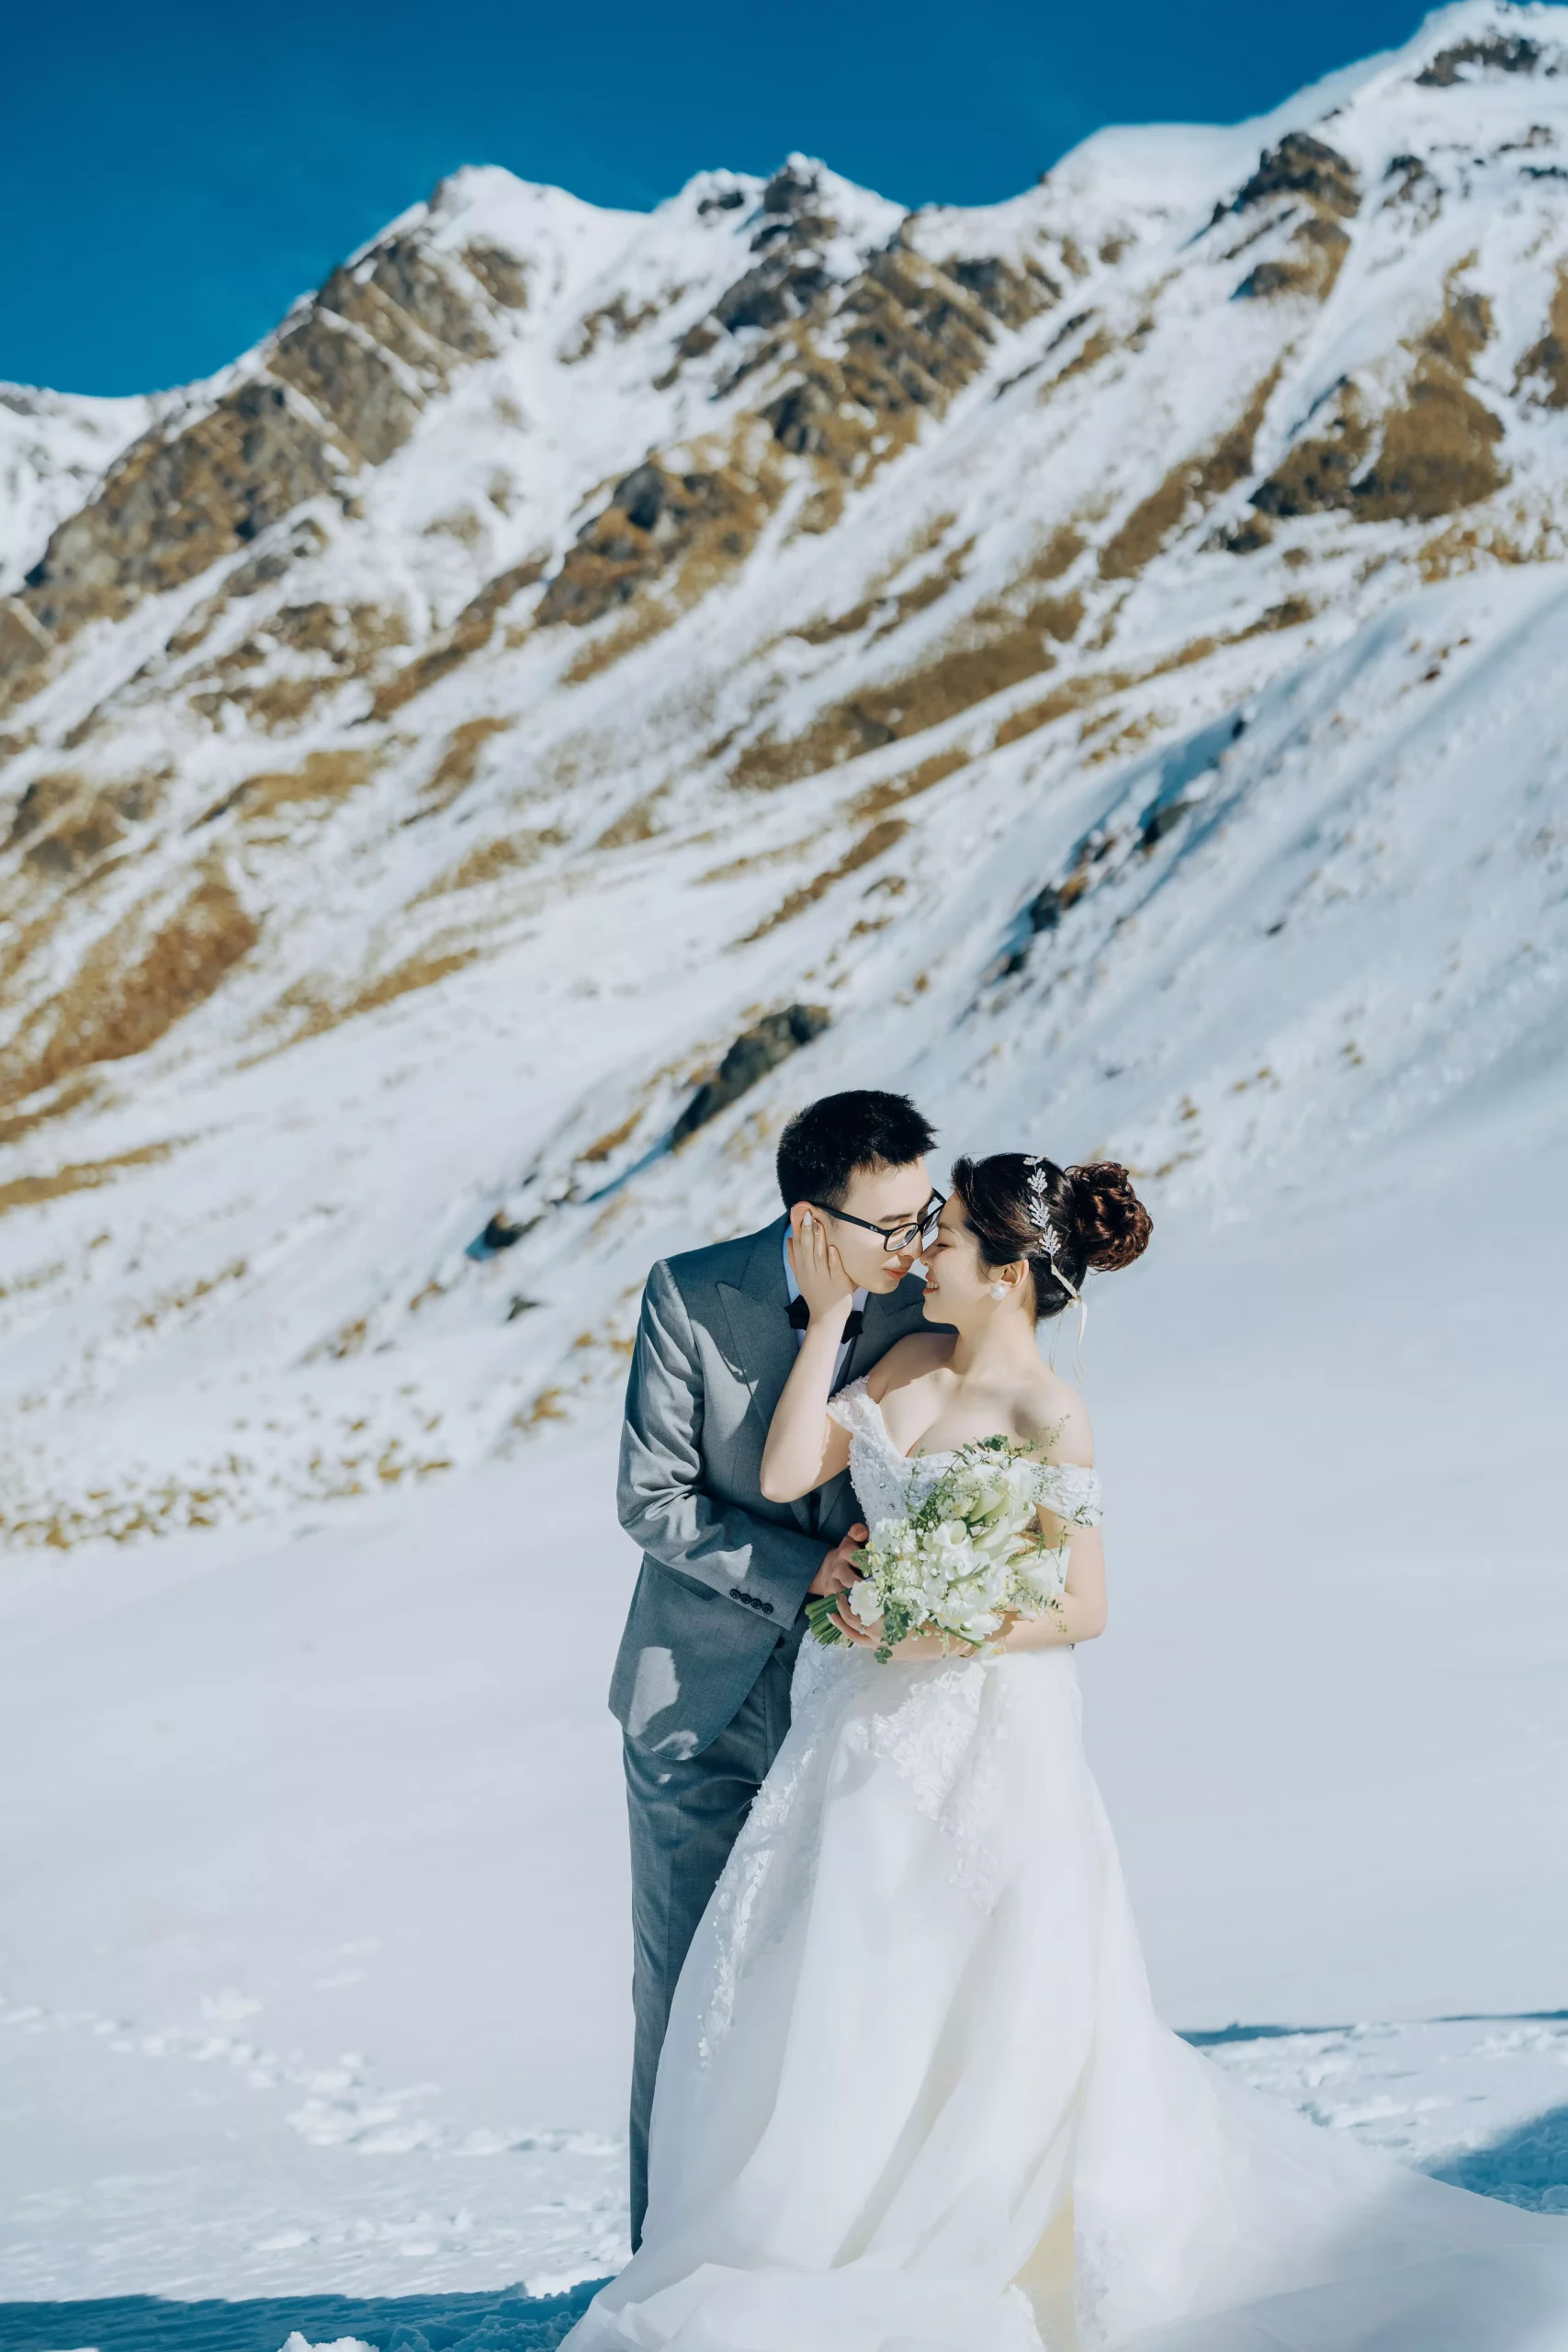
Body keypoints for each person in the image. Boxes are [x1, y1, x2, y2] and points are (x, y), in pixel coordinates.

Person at [571, 1150, 1568, 2351]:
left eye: (943, 1238)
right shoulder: (901, 1361)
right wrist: (827, 1319)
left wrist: (945, 1623)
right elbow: (787, 1473)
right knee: (844, 1978)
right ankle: (816, 2232)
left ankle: (962, 2235)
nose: (920, 1255)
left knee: (985, 1989)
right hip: (856, 1727)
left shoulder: (1051, 1416)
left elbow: (1082, 1604)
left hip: (984, 1731)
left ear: (1003, 1274)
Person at [610, 1089, 948, 2247]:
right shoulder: (688, 1295)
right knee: (683, 1999)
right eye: (890, 1224)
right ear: (811, 1219)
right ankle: (658, 2268)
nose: (914, 1244)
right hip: (691, 1708)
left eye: (924, 1215)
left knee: (840, 1999)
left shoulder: (929, 1308)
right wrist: (803, 1571)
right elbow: (651, 1500)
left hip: (855, 1706)